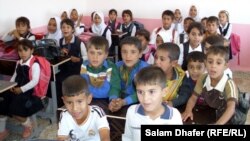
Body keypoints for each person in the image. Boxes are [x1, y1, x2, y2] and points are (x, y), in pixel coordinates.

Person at [122, 66, 183, 141]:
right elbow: (128, 138)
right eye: (140, 92)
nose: (145, 98)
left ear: (164, 92)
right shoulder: (132, 112)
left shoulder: (174, 116)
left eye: (151, 92)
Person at [0, 39, 45, 139]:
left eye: (25, 50)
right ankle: (2, 130)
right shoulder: (19, 62)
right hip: (17, 88)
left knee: (15, 109)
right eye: (20, 51)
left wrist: (21, 89)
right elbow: (14, 76)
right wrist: (10, 86)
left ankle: (28, 125)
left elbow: (34, 81)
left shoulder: (34, 64)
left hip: (29, 92)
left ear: (31, 50)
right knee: (2, 102)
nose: (23, 53)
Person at [182, 46, 238, 125]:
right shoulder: (203, 78)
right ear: (205, 63)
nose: (213, 66)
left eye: (218, 63)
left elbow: (231, 108)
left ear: (225, 66)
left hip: (227, 117)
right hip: (211, 111)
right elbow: (193, 97)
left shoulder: (229, 83)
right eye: (210, 62)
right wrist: (188, 110)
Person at [57, 75, 110, 141]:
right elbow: (61, 138)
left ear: (89, 99)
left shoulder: (97, 113)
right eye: (69, 102)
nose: (75, 108)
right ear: (64, 101)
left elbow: (105, 137)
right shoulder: (65, 115)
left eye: (79, 101)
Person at [109, 37, 149, 112]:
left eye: (133, 52)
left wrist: (124, 102)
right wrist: (113, 100)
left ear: (140, 54)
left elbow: (143, 92)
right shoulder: (117, 66)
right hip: (120, 101)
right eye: (124, 52)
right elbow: (115, 86)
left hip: (140, 103)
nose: (128, 56)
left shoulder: (145, 69)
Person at [56, 18, 88, 107]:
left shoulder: (79, 42)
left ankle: (70, 103)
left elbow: (86, 57)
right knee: (55, 80)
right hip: (64, 69)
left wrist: (78, 59)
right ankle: (59, 105)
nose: (65, 29)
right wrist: (60, 52)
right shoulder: (60, 42)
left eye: (68, 27)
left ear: (73, 29)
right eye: (63, 27)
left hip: (76, 69)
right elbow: (57, 56)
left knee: (65, 82)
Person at [154, 43, 192, 108]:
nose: (157, 62)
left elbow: (184, 95)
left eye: (162, 59)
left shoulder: (181, 75)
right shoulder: (149, 74)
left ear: (173, 63)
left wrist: (172, 103)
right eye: (156, 57)